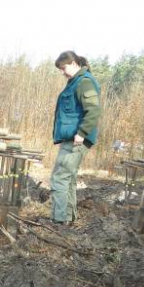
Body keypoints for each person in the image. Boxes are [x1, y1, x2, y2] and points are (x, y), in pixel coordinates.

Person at [50, 51, 102, 224]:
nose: (62, 72)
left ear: (73, 63)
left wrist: (81, 133)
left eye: (63, 68)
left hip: (77, 139)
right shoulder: (75, 82)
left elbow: (93, 110)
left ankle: (60, 220)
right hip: (72, 138)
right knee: (69, 178)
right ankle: (69, 218)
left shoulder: (84, 82)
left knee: (60, 177)